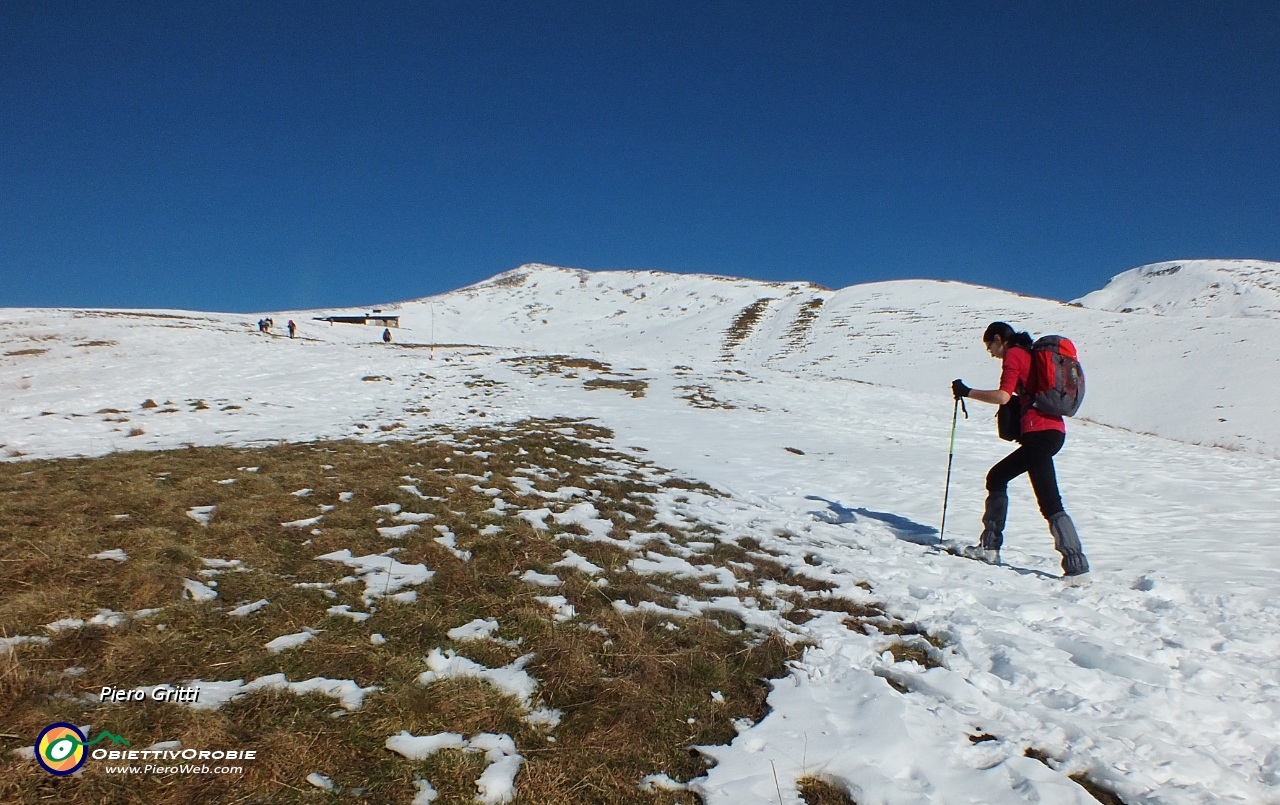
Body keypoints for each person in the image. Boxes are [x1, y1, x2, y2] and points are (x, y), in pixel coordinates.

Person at [951, 322, 1090, 583]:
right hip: (1052, 432)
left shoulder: (1014, 354)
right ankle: (992, 548)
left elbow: (1003, 396)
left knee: (1044, 499)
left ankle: (1076, 568)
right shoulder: (1028, 354)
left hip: (1039, 434)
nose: (991, 353)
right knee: (1001, 478)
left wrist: (967, 392)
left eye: (990, 346)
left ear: (998, 339)